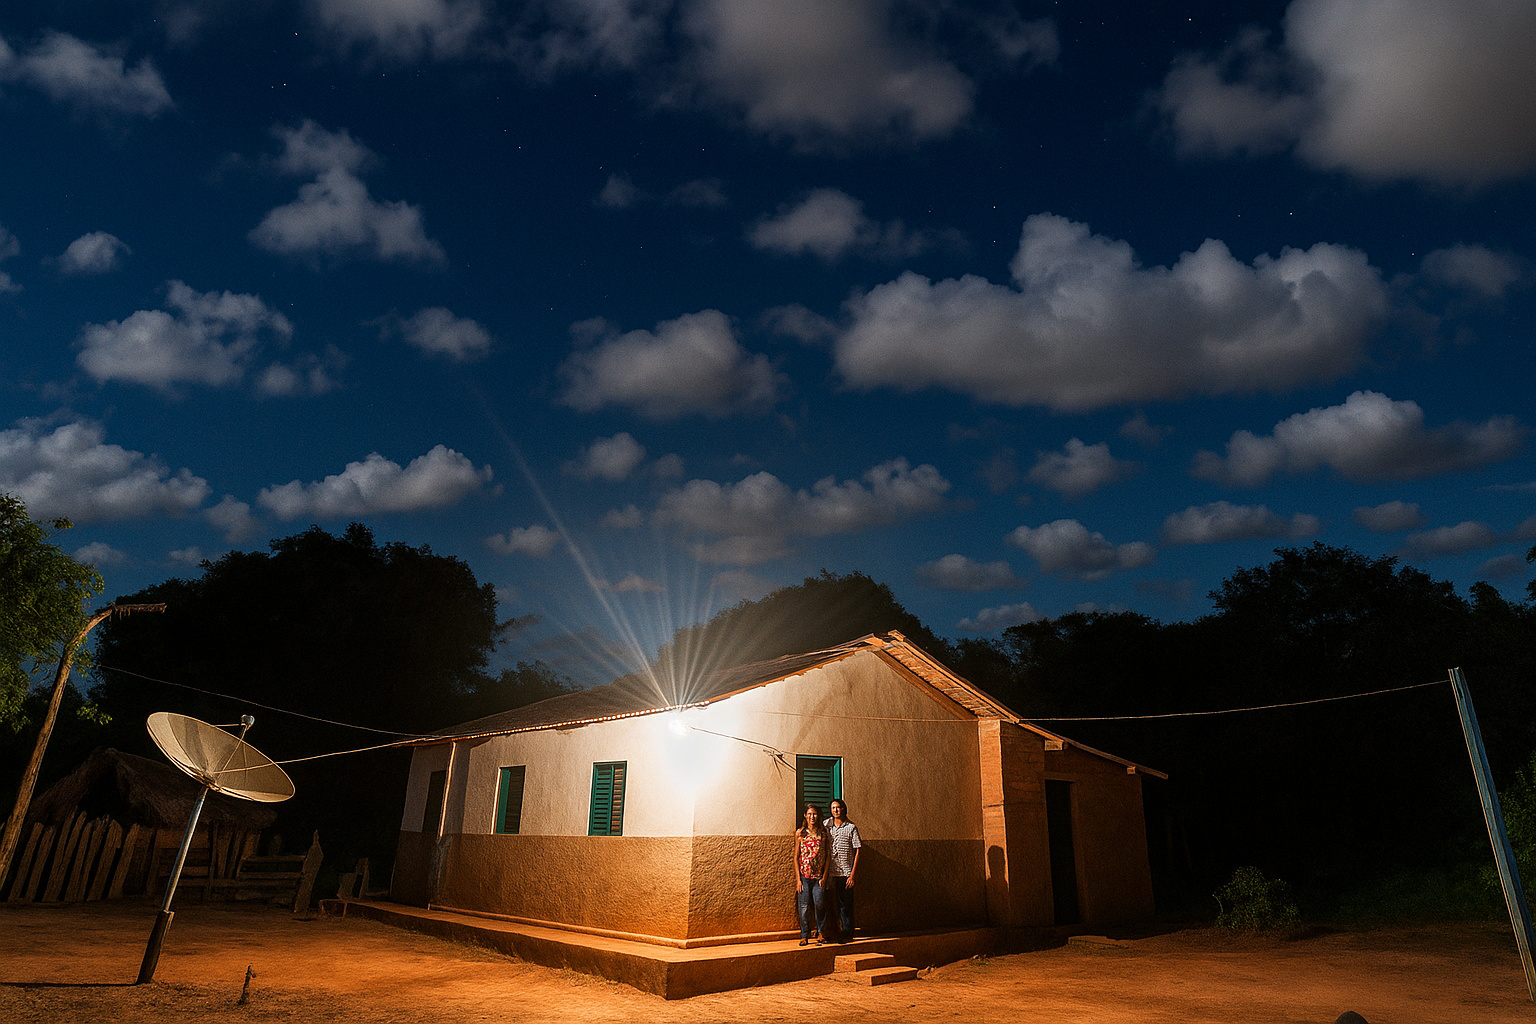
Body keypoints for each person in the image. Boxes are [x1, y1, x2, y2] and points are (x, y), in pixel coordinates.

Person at [823, 798, 862, 942]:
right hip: (829, 872)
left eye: (838, 807)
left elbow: (858, 850)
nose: (836, 810)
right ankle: (832, 932)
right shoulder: (826, 825)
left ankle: (847, 933)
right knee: (830, 904)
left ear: (843, 809)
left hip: (845, 873)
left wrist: (852, 874)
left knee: (845, 905)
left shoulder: (851, 827)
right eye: (833, 808)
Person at [793, 804, 829, 945]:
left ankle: (821, 932)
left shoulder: (823, 833)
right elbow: (796, 857)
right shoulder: (800, 833)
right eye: (809, 814)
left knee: (820, 904)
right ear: (805, 816)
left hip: (818, 877)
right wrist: (798, 880)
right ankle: (804, 934)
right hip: (804, 877)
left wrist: (825, 876)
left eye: (814, 814)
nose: (812, 817)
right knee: (804, 907)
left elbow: (828, 857)